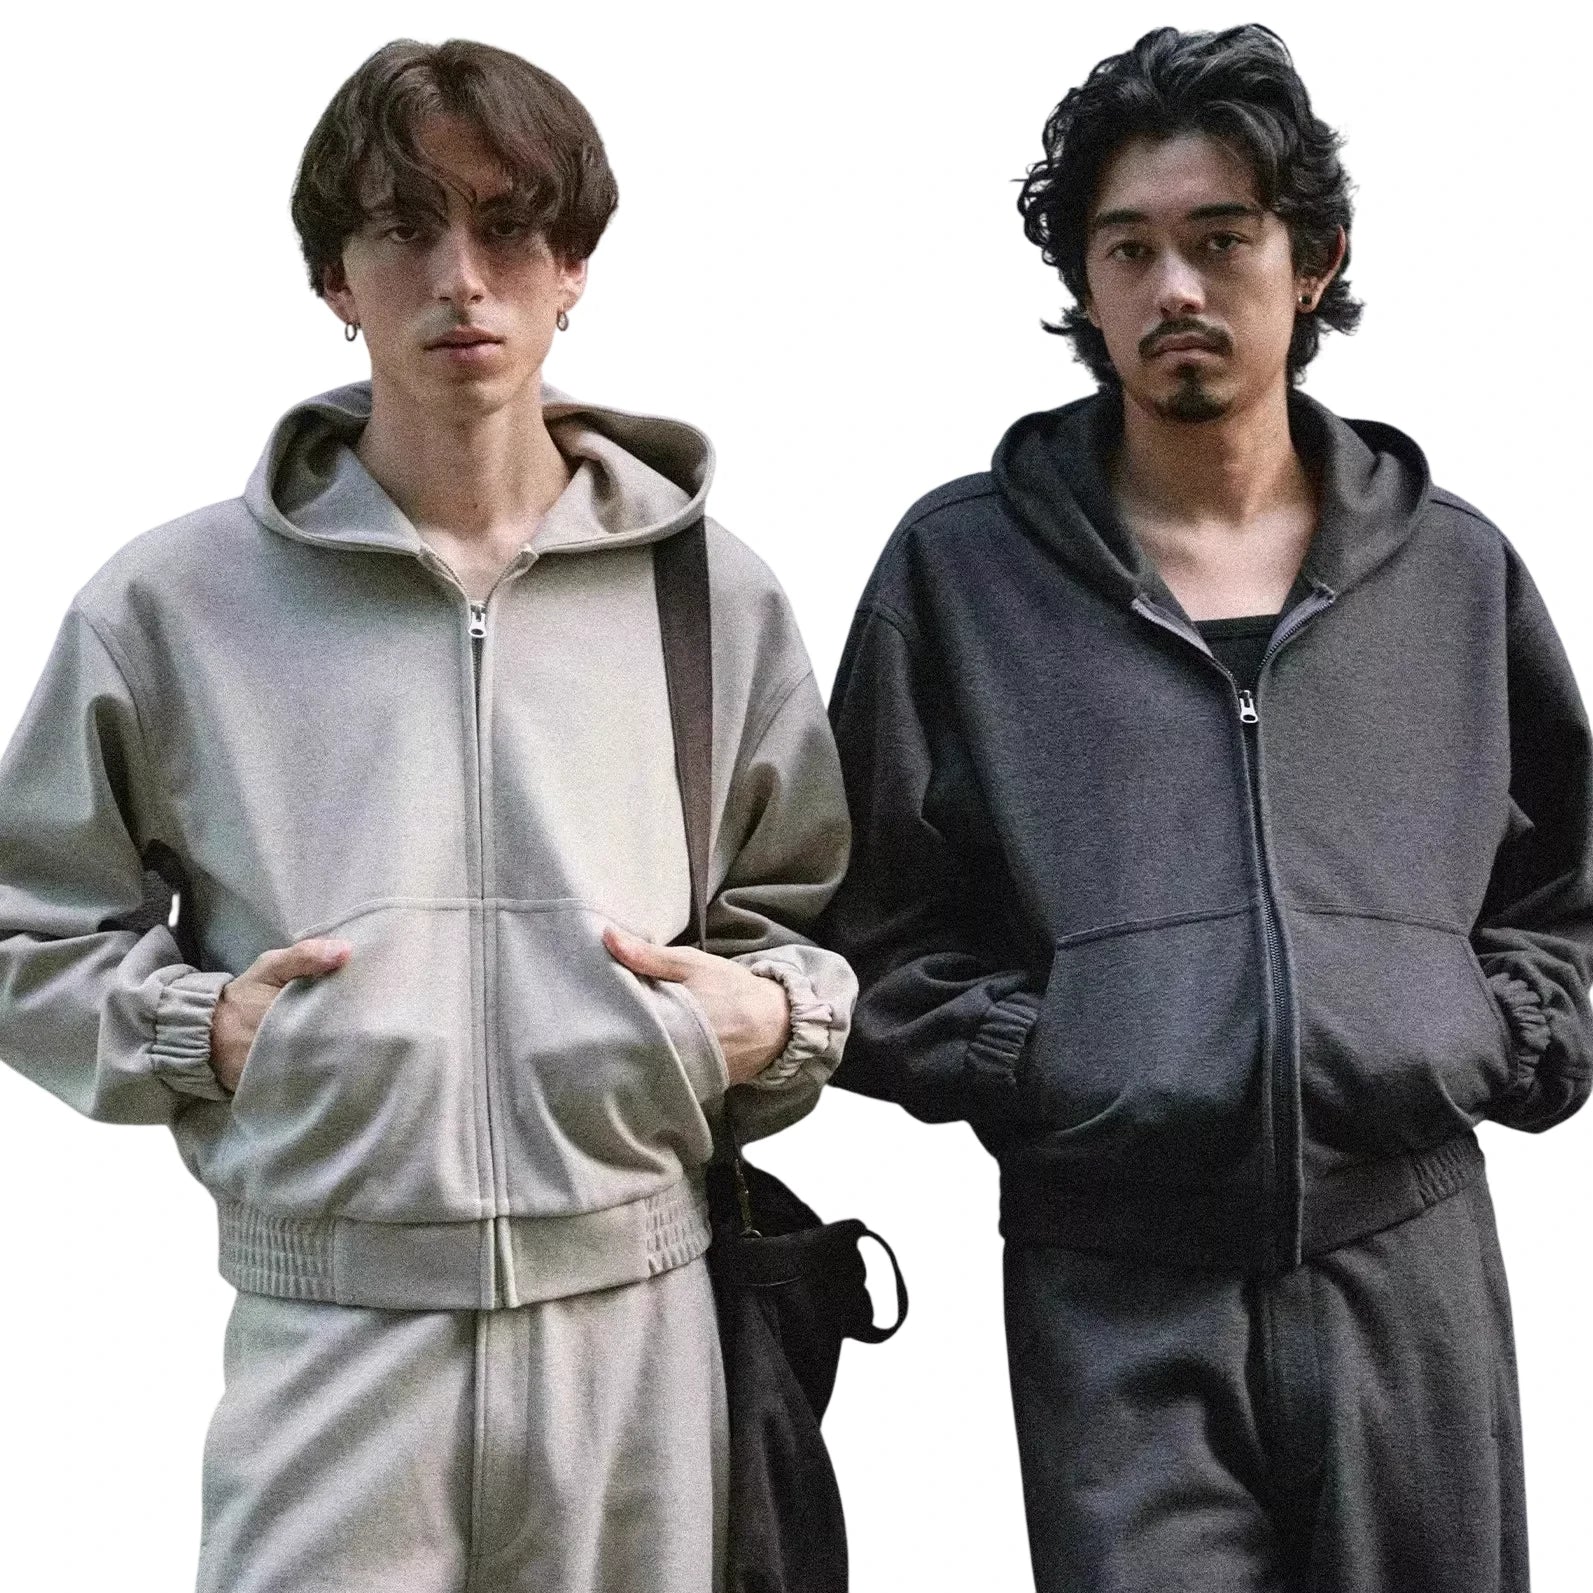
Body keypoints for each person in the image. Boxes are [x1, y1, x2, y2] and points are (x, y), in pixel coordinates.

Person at [0, 37, 855, 1593]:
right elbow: (27, 931)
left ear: (573, 264)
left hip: (635, 1335)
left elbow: (803, 915)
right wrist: (204, 1029)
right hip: (333, 1340)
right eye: (405, 228)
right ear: (335, 276)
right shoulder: (171, 605)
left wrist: (765, 1017)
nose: (461, 277)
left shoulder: (706, 595)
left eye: (507, 226)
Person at [821, 23, 1591, 1592]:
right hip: (1114, 1285)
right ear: (1084, 281)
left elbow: (1568, 894)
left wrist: (1487, 1032)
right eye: (1129, 249)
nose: (1173, 286)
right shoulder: (958, 576)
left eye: (1220, 240)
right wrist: (1040, 1054)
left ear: (1310, 262)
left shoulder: (1448, 571)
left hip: (1407, 1269)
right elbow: (861, 928)